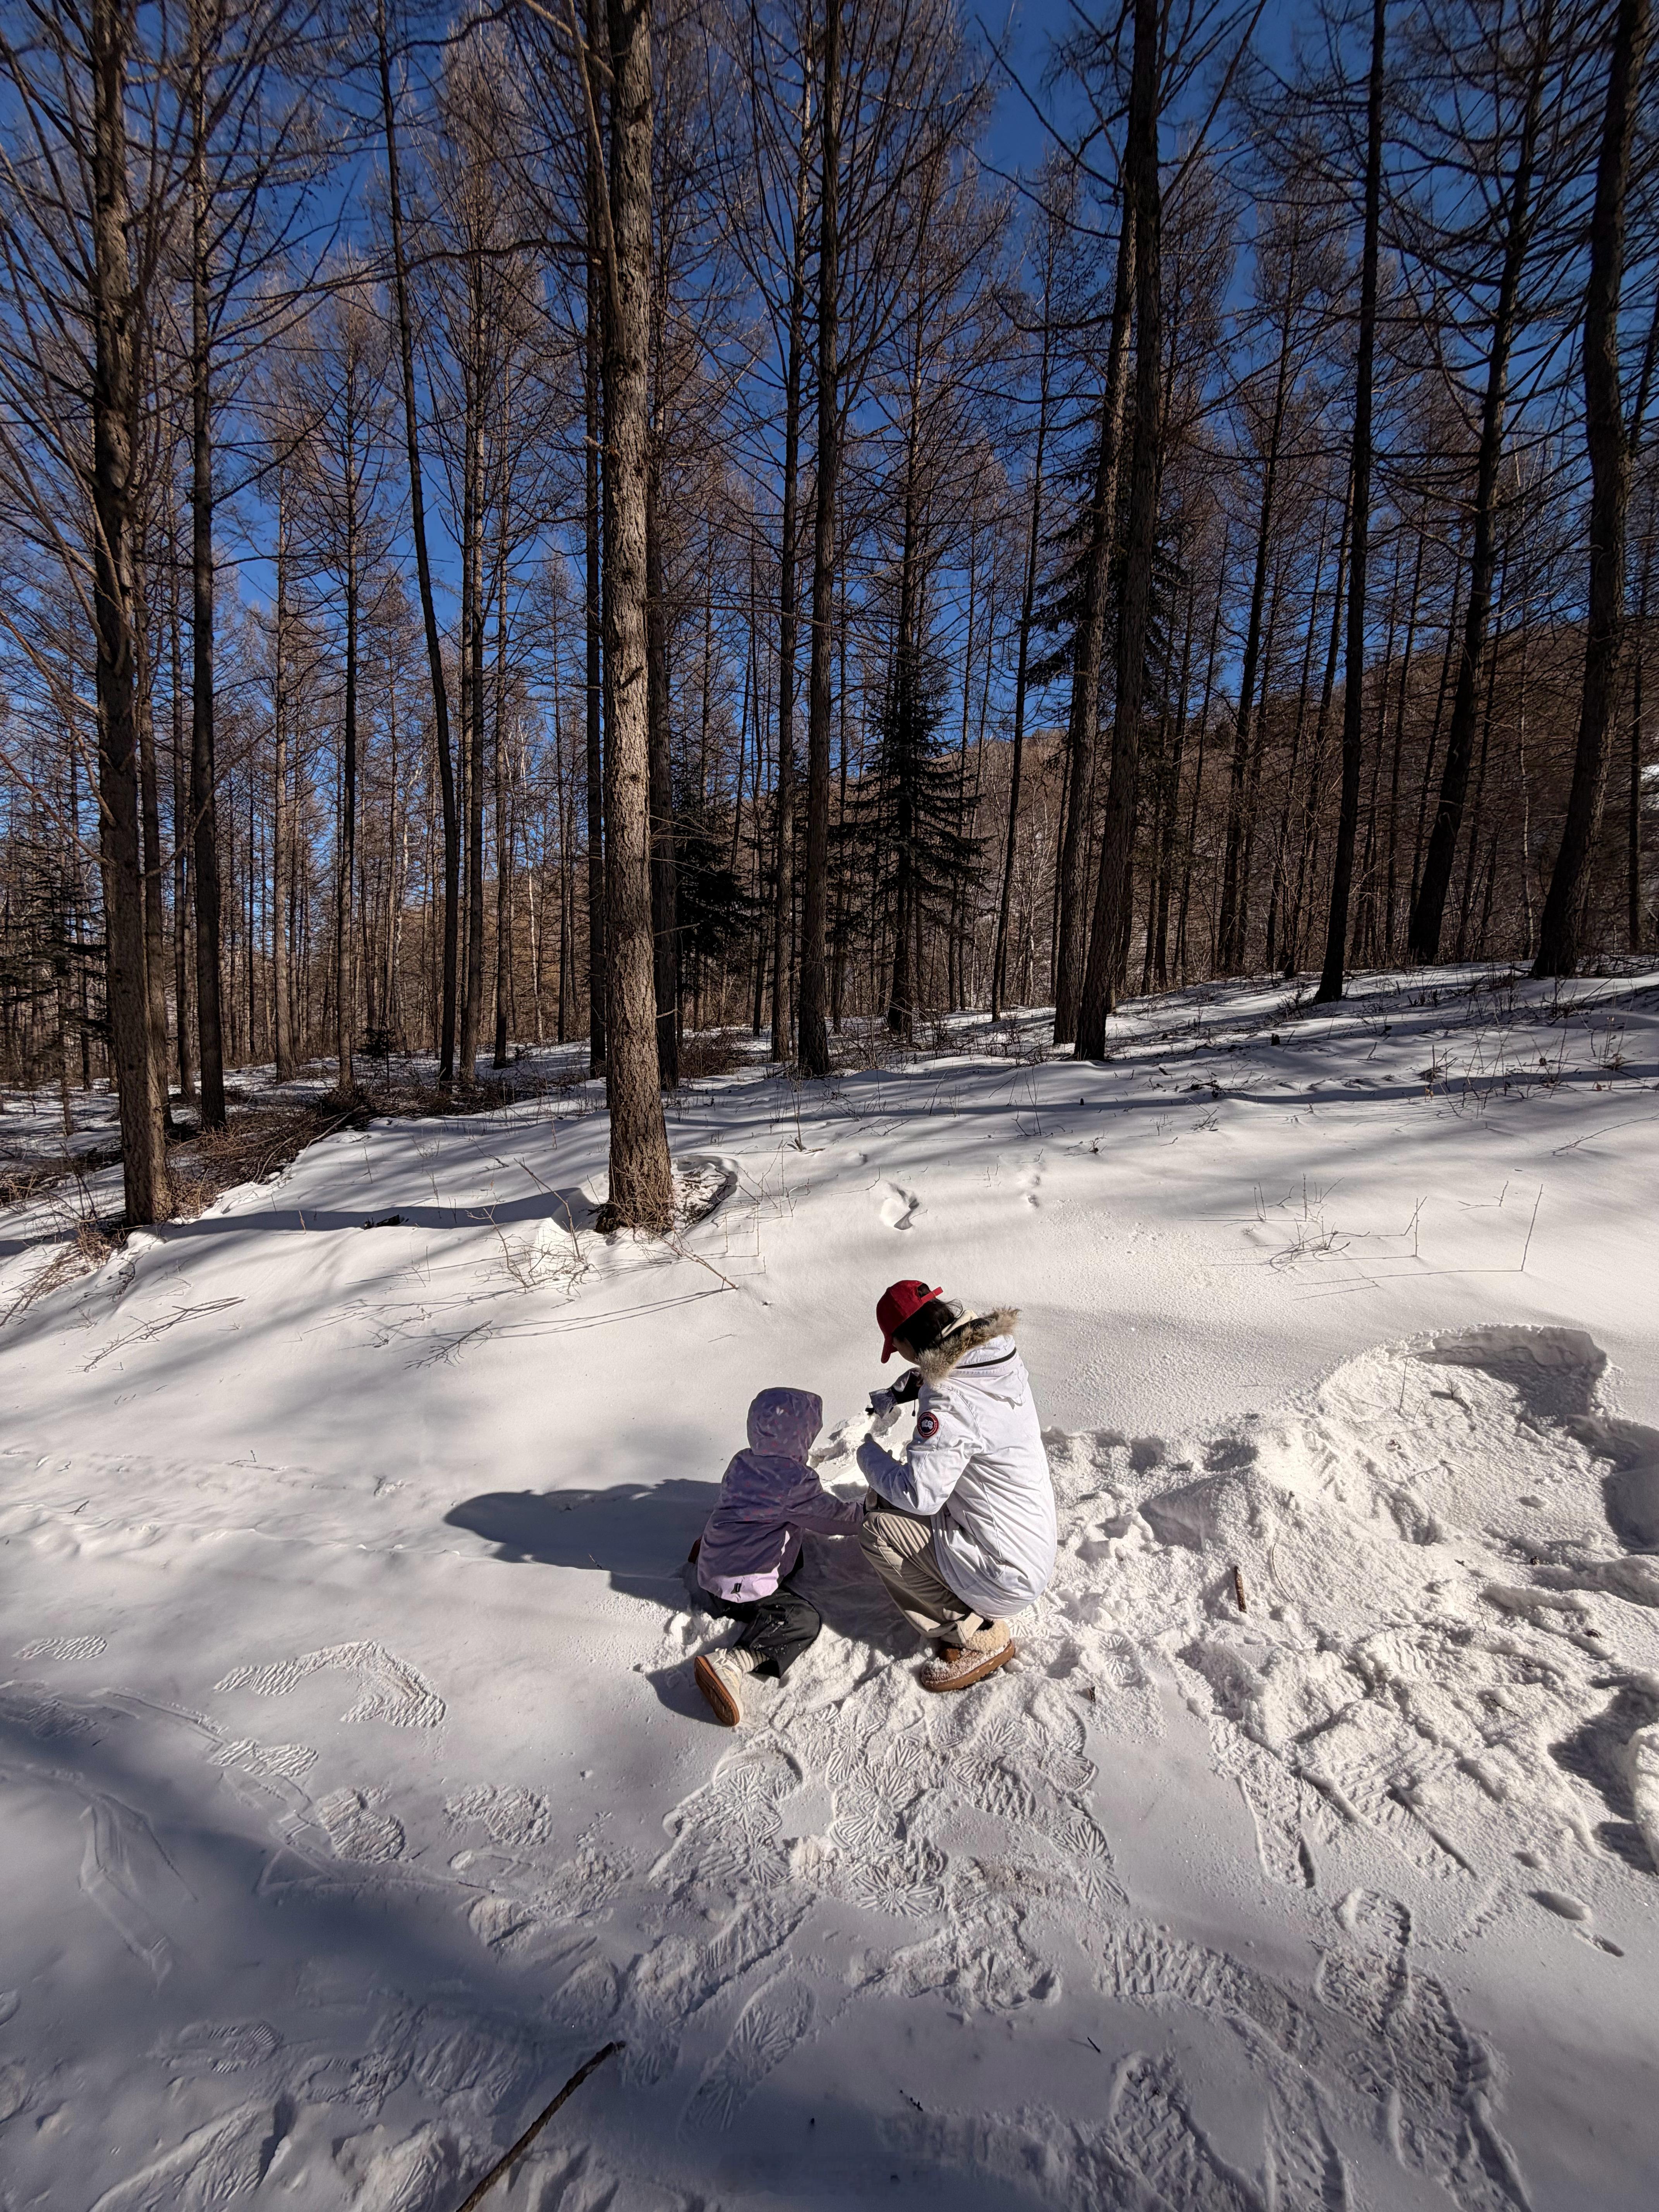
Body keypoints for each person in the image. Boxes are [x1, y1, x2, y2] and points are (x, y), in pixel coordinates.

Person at [857, 1279, 1056, 1692]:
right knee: (890, 1500)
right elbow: (968, 1399)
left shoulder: (946, 1397)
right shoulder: (997, 1356)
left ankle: (972, 1633)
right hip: (1031, 1545)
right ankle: (972, 1605)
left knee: (875, 1524)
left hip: (1003, 1574)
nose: (899, 1355)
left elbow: (920, 1495)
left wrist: (868, 1455)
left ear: (909, 1340)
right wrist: (914, 1383)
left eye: (897, 1347)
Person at [691, 1386, 862, 1727]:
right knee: (800, 1619)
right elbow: (832, 1519)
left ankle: (716, 1563)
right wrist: (871, 1512)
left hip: (713, 1568)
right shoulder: (793, 1482)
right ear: (801, 1435)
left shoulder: (742, 1461)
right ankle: (732, 1663)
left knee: (789, 1550)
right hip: (739, 1588)